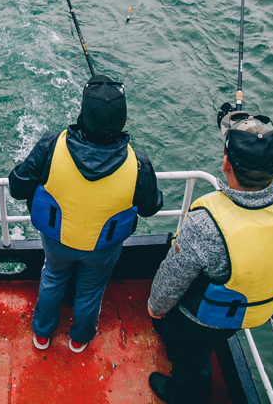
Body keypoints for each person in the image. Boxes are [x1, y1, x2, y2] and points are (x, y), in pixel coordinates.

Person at [147, 109, 273, 404]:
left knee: (191, 357)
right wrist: (246, 137)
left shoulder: (207, 223)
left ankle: (187, 396)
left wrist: (156, 308)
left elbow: (173, 277)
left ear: (226, 163)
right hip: (256, 309)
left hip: (204, 320)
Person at [9, 73, 163, 352]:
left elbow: (17, 187)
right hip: (103, 247)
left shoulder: (50, 145)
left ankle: (42, 334)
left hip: (57, 239)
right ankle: (79, 339)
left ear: (82, 115)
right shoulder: (138, 164)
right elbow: (151, 207)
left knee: (52, 278)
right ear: (123, 122)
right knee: (91, 290)